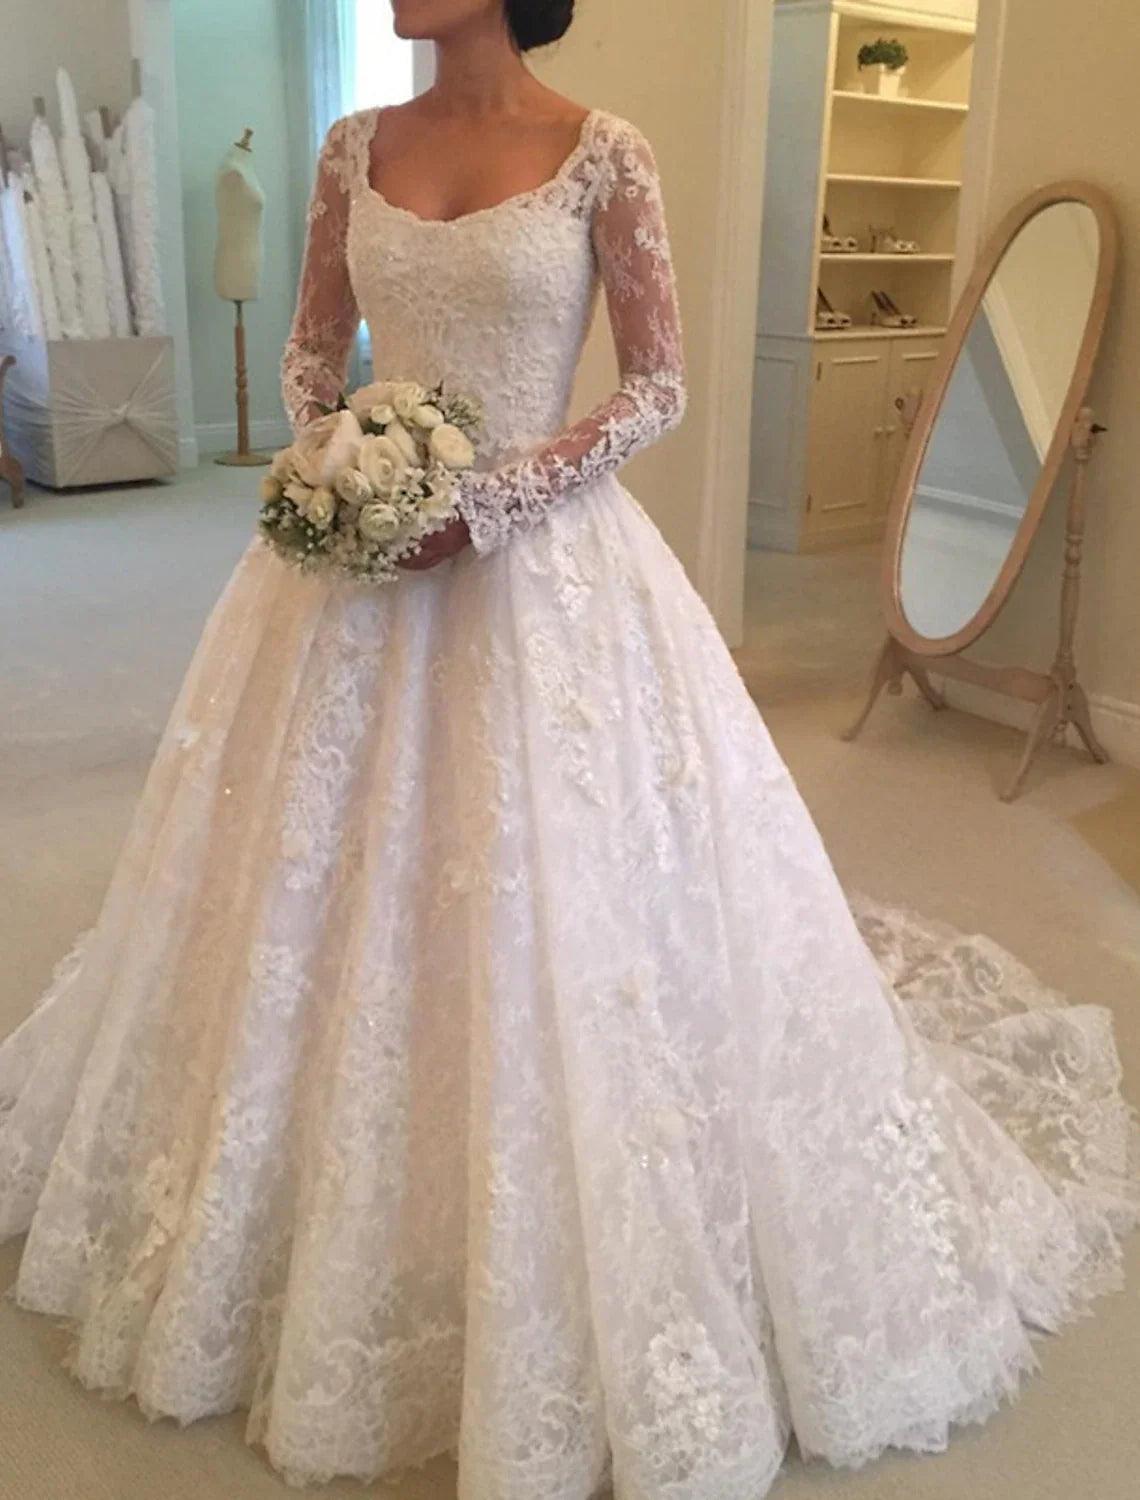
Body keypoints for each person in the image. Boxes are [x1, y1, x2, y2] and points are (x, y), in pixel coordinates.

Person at [2, 1, 1136, 1494]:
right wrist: (340, 455)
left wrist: (493, 496)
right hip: (357, 568)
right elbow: (311, 348)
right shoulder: (350, 147)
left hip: (539, 564)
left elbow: (657, 383)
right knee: (312, 881)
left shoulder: (605, 152)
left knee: (566, 882)